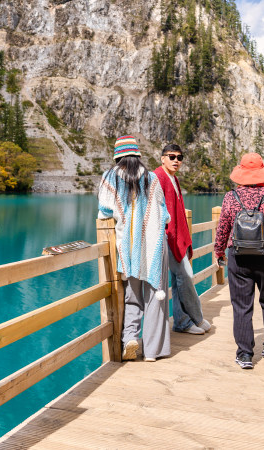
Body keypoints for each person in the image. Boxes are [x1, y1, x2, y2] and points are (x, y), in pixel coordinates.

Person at [214, 153, 264, 369]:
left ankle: (245, 354)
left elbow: (223, 227)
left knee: (241, 306)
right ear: (262, 173)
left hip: (238, 256)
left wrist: (219, 251)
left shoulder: (231, 197)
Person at [98, 135, 171, 362]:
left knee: (132, 296)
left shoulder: (110, 177)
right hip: (155, 246)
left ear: (118, 155)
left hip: (128, 249)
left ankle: (130, 337)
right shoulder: (151, 178)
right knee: (155, 298)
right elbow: (164, 214)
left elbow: (104, 211)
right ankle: (152, 351)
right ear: (138, 155)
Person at [153, 144, 211, 335]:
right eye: (172, 156)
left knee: (180, 279)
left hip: (175, 236)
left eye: (180, 157)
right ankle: (196, 317)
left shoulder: (173, 179)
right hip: (166, 236)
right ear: (162, 158)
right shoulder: (157, 177)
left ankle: (182, 321)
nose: (176, 160)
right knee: (185, 275)